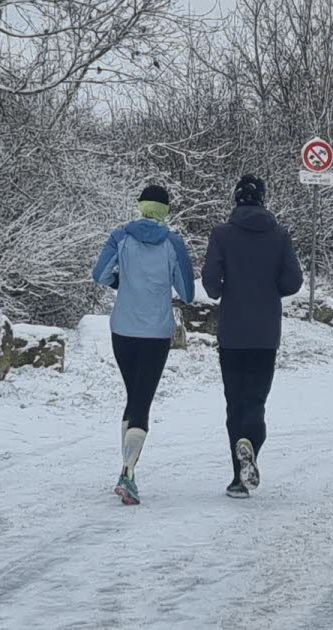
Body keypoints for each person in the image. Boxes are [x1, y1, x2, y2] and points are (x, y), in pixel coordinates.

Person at [201, 174, 304, 499]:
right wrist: (269, 286)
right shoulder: (279, 236)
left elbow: (211, 285)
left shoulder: (221, 234)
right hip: (264, 333)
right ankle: (251, 450)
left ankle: (237, 478)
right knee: (255, 402)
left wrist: (226, 284)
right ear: (262, 199)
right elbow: (293, 282)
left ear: (235, 198)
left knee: (234, 403)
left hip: (231, 333)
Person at [92, 184, 194, 505]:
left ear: (140, 206)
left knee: (133, 397)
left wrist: (122, 282)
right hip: (156, 333)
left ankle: (126, 468)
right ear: (165, 211)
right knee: (141, 401)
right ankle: (128, 474)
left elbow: (100, 274)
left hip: (122, 330)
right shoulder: (174, 244)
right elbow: (188, 293)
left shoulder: (120, 236)